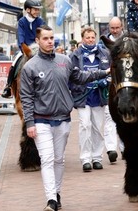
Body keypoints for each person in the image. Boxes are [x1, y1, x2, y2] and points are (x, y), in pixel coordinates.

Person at [20, 25, 109, 211]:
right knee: (47, 159)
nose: (50, 41)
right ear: (37, 41)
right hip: (41, 120)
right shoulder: (30, 67)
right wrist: (29, 122)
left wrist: (105, 72)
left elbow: (80, 76)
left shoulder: (64, 60)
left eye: (52, 38)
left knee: (59, 159)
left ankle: (56, 193)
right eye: (45, 38)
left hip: (63, 119)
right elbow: (26, 97)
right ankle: (51, 199)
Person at [69, 27, 110, 172]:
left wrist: (106, 82)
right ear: (82, 39)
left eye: (93, 37)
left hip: (98, 95)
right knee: (85, 125)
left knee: (97, 126)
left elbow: (112, 72)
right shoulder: (75, 56)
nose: (91, 40)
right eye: (88, 38)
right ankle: (85, 158)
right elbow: (72, 77)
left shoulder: (105, 54)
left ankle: (97, 157)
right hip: (82, 96)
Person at [1, 0, 45, 98]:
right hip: (26, 49)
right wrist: (23, 48)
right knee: (14, 64)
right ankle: (8, 87)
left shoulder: (41, 21)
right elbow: (20, 36)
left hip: (39, 49)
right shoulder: (22, 21)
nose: (37, 11)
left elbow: (44, 33)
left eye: (38, 9)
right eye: (35, 9)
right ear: (28, 10)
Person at [99, 17, 125, 161]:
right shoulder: (102, 45)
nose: (114, 31)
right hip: (108, 82)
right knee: (109, 116)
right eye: (112, 28)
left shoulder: (128, 42)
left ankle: (124, 147)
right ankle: (110, 149)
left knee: (124, 115)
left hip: (124, 85)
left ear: (122, 27)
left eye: (117, 27)